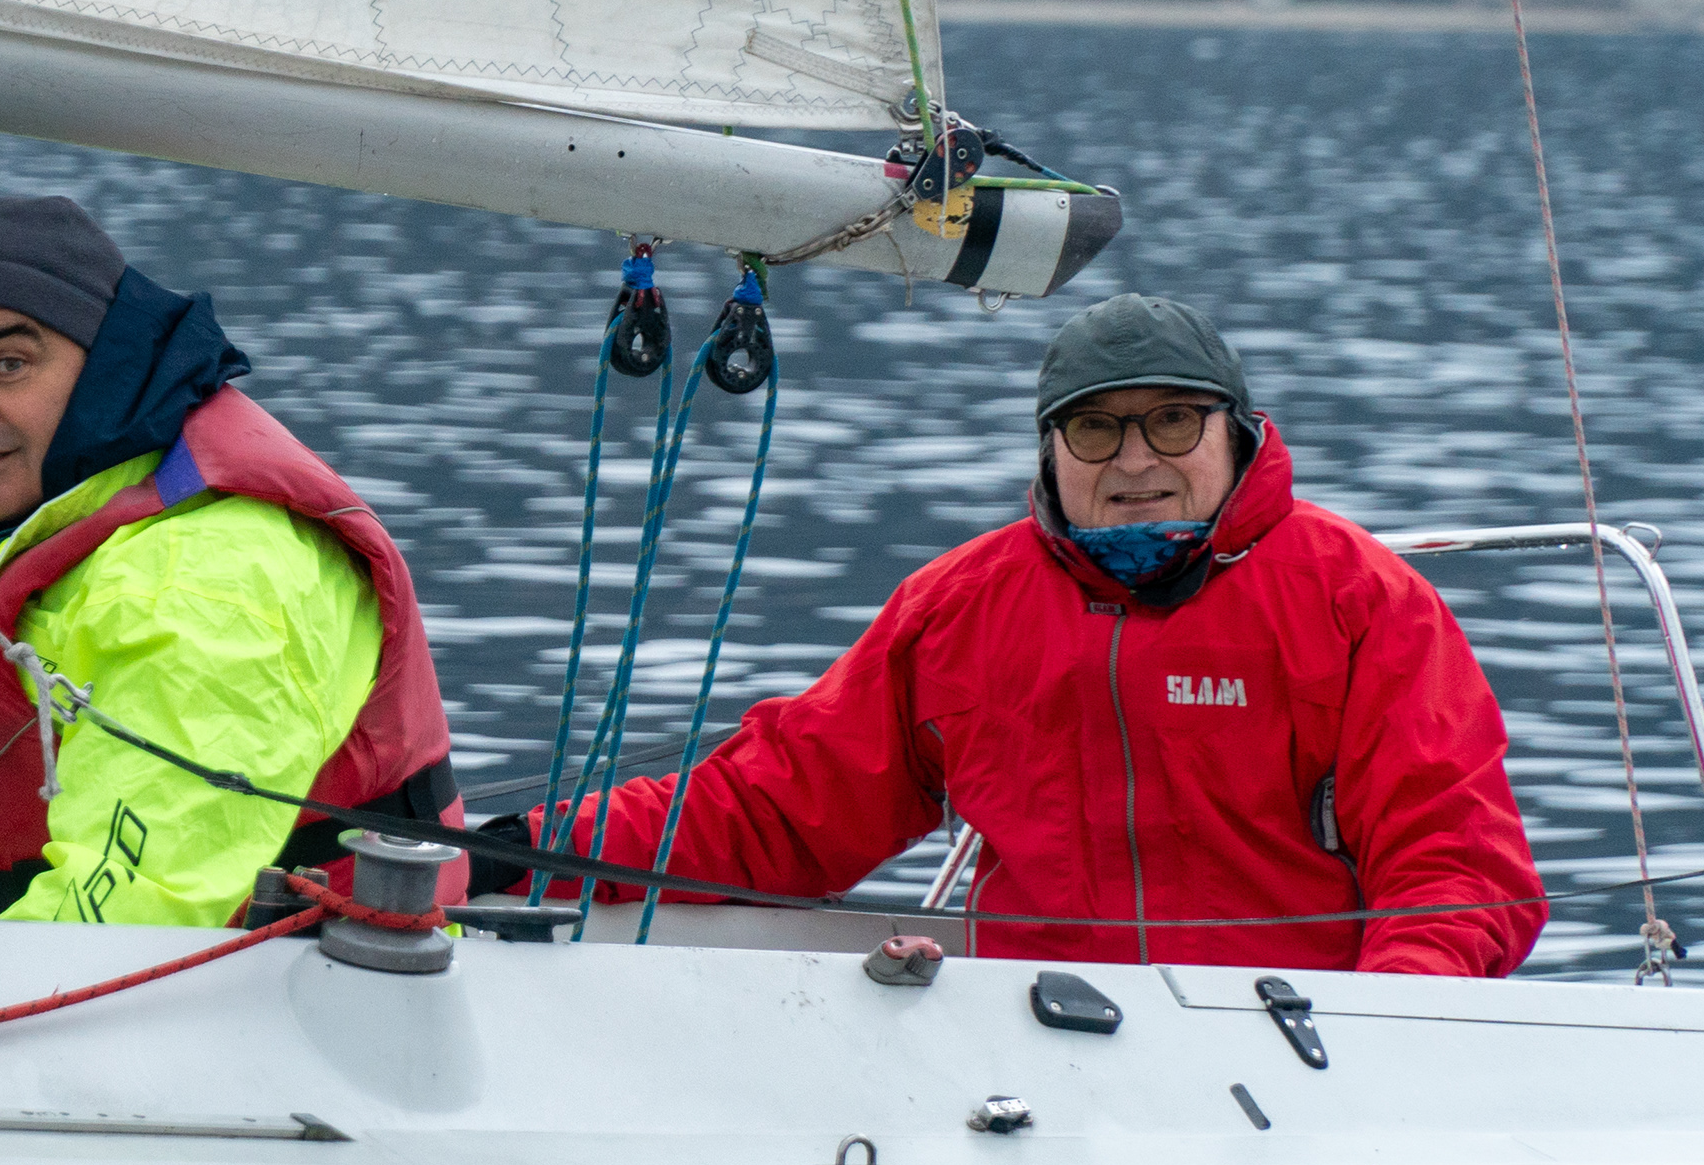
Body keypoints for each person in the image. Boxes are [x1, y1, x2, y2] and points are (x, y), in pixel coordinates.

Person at [503, 294, 1540, 976]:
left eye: (1173, 421)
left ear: (1236, 431)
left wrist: (1383, 1037)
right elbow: (772, 812)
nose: (1135, 459)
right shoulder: (960, 606)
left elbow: (1457, 868)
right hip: (1035, 1047)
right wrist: (516, 852)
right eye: (1095, 428)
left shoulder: (1362, 600)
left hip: (1295, 1045)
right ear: (1051, 451)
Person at [0, 196, 464, 926]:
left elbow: (136, 910)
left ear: (107, 366)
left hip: (252, 990)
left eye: (8, 365)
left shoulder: (209, 583)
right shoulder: (59, 519)